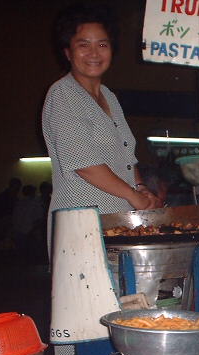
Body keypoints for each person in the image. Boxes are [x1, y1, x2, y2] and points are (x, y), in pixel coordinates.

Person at [42, 3, 162, 252]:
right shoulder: (63, 95)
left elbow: (127, 157)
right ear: (67, 52)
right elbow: (85, 164)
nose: (94, 53)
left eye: (102, 44)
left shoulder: (109, 96)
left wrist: (140, 188)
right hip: (81, 223)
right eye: (83, 45)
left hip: (116, 222)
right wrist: (133, 195)